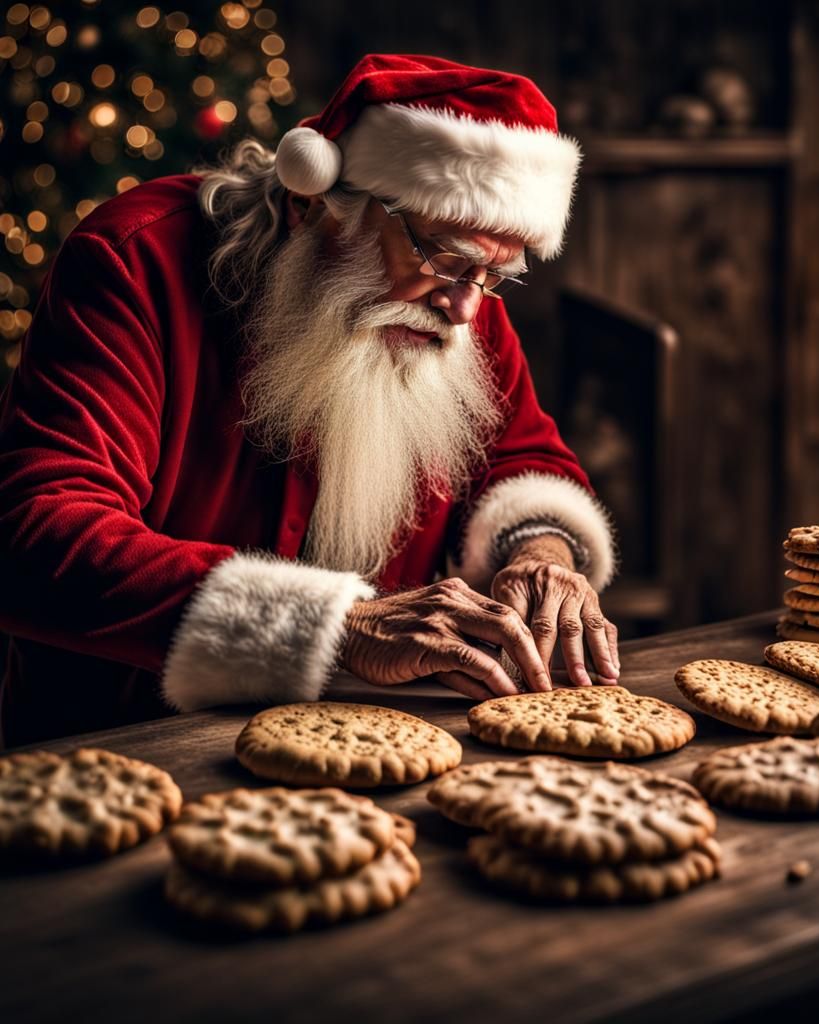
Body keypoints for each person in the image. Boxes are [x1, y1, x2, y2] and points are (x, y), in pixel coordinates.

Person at [0, 54, 618, 747]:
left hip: (376, 749)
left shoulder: (455, 296)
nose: (468, 308)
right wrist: (336, 625)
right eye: (441, 255)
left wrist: (541, 554)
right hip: (120, 746)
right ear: (313, 204)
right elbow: (33, 532)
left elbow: (521, 455)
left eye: (496, 274)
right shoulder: (131, 261)